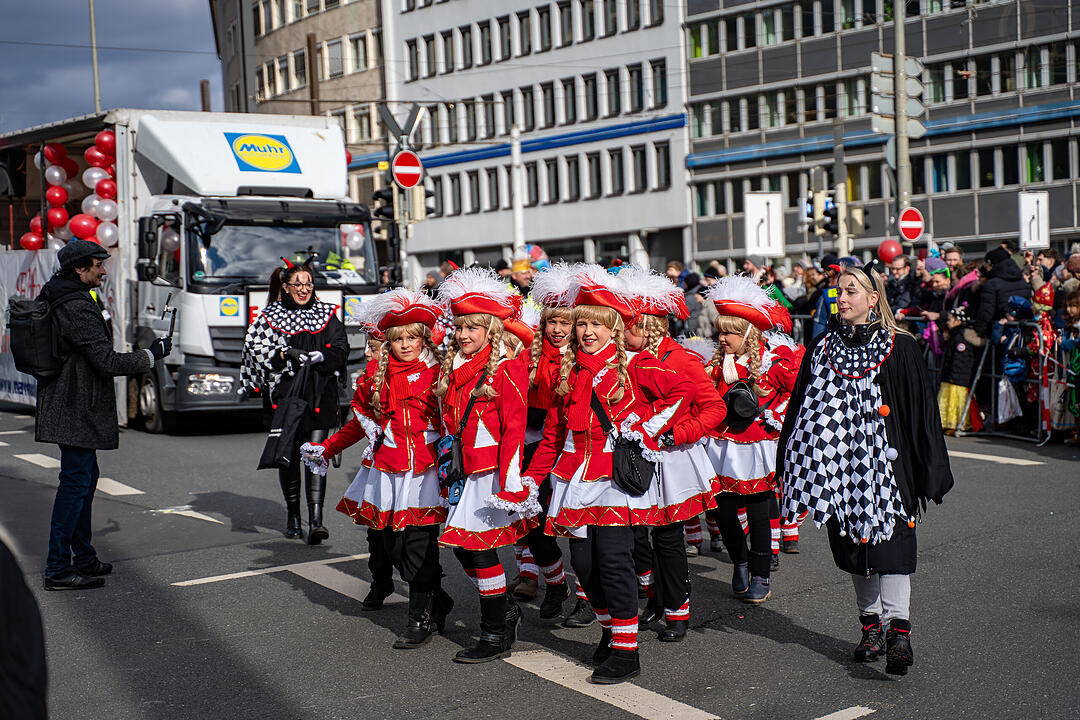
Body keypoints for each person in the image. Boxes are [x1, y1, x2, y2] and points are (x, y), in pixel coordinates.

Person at [523, 265, 697, 683]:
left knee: (615, 563)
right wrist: (529, 479)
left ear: (615, 328)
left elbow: (683, 392)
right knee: (584, 567)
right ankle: (610, 632)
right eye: (581, 323)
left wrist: (648, 429)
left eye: (596, 325)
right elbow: (552, 435)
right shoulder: (569, 371)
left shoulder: (633, 368)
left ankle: (627, 650)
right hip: (574, 480)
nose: (586, 331)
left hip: (615, 484)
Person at [778, 264, 954, 676]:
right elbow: (801, 409)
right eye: (839, 291)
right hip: (839, 471)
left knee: (892, 548)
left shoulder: (901, 346)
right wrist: (790, 460)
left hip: (889, 472)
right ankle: (871, 627)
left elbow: (921, 414)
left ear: (873, 299)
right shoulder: (821, 347)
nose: (842, 298)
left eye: (851, 291)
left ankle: (898, 633)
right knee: (855, 550)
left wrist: (929, 469)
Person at [301, 289, 450, 648]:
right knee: (392, 546)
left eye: (412, 337)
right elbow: (359, 424)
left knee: (418, 547)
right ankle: (437, 599)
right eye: (398, 339)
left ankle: (421, 618)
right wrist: (327, 448)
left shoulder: (441, 374)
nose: (405, 345)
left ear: (423, 338)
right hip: (387, 470)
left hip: (426, 473)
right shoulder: (374, 378)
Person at [37, 240, 171, 590]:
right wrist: (150, 356)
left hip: (74, 403)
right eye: (98, 264)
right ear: (79, 269)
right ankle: (57, 568)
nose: (103, 269)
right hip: (74, 406)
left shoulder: (65, 295)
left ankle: (82, 557)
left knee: (84, 480)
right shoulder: (74, 305)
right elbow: (107, 362)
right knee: (75, 484)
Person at [435, 267, 539, 663]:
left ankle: (496, 632)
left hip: (490, 472)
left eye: (473, 328)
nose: (464, 335)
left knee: (476, 550)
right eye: (460, 327)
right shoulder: (451, 368)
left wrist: (510, 478)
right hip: (460, 472)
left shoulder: (507, 367)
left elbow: (515, 426)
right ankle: (505, 613)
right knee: (462, 548)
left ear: (491, 331)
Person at [619, 266, 726, 641]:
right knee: (633, 537)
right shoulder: (616, 361)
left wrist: (674, 435)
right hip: (629, 459)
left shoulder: (680, 359)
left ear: (648, 326)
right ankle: (654, 597)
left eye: (627, 324)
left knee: (667, 536)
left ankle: (677, 612)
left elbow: (714, 409)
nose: (620, 331)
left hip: (671, 459)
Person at [703, 276, 799, 604]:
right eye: (721, 331)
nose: (723, 338)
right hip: (720, 448)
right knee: (724, 513)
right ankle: (739, 562)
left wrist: (773, 416)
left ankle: (761, 572)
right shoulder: (715, 366)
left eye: (730, 331)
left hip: (757, 447)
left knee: (760, 513)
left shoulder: (772, 364)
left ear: (748, 334)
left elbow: (796, 392)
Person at [241, 258, 349, 543]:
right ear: (285, 287)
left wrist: (323, 356)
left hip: (319, 395)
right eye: (297, 284)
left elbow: (341, 347)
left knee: (315, 454)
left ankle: (316, 521)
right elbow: (255, 350)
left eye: (308, 284)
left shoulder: (326, 314)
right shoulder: (269, 316)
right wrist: (283, 354)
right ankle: (292, 514)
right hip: (284, 397)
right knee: (288, 457)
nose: (303, 289)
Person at [508, 263, 575, 620]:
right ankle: (554, 582)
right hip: (537, 447)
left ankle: (587, 598)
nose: (559, 330)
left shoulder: (586, 356)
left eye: (567, 322)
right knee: (534, 522)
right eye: (553, 322)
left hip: (578, 449)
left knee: (582, 531)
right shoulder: (529, 355)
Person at [937, 306, 980, 434]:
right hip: (951, 375)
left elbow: (960, 359)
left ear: (958, 321)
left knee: (955, 402)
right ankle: (946, 423)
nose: (948, 322)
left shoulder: (961, 337)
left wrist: (953, 375)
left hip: (958, 377)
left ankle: (956, 423)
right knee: (947, 400)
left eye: (950, 320)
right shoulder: (955, 335)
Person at [973, 246, 1032, 338]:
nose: (986, 270)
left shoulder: (991, 284)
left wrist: (977, 332)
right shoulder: (1022, 280)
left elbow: (986, 311)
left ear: (992, 264)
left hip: (1000, 331)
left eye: (986, 266)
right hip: (1022, 331)